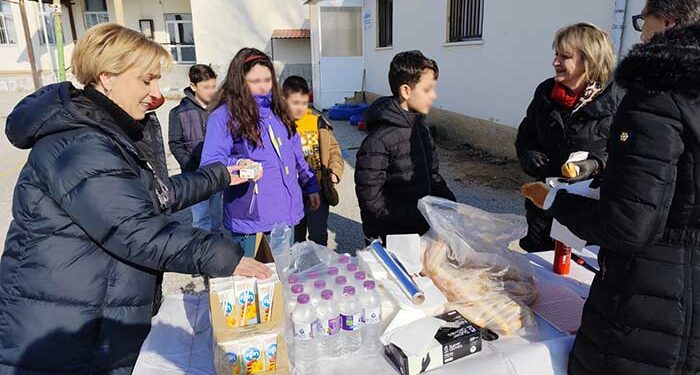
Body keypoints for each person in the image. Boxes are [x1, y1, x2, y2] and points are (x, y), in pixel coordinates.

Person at [0, 23, 272, 374]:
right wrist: (222, 255)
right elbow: (134, 230)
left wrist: (220, 175)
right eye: (147, 81)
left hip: (92, 313)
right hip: (65, 330)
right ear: (107, 77)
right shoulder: (81, 145)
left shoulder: (107, 131)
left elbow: (148, 196)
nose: (156, 93)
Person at [522, 2, 700, 374]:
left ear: (667, 24)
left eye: (643, 22)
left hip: (642, 304)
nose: (640, 33)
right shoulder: (546, 94)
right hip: (562, 226)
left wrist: (568, 193)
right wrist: (534, 159)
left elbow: (628, 221)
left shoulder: (648, 94)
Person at [514, 23, 623, 252]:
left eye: (565, 56)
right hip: (543, 206)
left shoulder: (619, 101)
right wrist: (527, 154)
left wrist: (595, 164)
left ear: (590, 61)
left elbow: (627, 155)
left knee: (577, 275)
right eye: (556, 54)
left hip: (587, 213)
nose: (555, 62)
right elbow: (526, 135)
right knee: (538, 268)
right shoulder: (545, 93)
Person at [200, 49, 320, 257]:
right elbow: (211, 162)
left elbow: (295, 152)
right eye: (255, 81)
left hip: (284, 212)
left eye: (267, 79)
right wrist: (239, 165)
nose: (263, 86)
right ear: (239, 81)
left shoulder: (278, 110)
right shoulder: (224, 116)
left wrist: (310, 185)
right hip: (250, 215)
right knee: (249, 283)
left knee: (281, 276)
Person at [355, 50, 456, 243]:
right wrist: (420, 215)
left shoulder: (422, 131)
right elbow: (372, 200)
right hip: (392, 237)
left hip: (420, 231)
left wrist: (450, 204)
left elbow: (432, 175)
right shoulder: (379, 140)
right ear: (406, 91)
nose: (433, 96)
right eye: (427, 90)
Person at [283, 76, 345, 246]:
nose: (300, 108)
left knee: (318, 236)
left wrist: (334, 171)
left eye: (304, 103)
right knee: (295, 239)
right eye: (295, 103)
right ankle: (297, 269)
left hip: (318, 189)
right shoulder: (279, 126)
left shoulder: (317, 122)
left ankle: (319, 268)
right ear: (283, 100)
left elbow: (334, 151)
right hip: (291, 195)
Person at [169, 64, 223, 231]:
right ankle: (203, 254)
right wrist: (191, 166)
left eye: (213, 86)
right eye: (206, 87)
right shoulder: (179, 112)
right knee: (201, 220)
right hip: (195, 175)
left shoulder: (220, 110)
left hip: (217, 172)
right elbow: (175, 144)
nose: (211, 91)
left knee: (217, 218)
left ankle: (217, 252)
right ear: (193, 86)